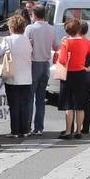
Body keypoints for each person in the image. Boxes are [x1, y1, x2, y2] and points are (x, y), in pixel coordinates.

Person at [56, 18, 90, 139]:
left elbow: (62, 60)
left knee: (69, 105)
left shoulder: (66, 43)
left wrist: (60, 53)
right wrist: (89, 68)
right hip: (81, 74)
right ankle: (79, 131)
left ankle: (68, 131)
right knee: (80, 105)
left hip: (68, 75)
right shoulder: (86, 42)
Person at [0, 15, 34, 138]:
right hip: (27, 77)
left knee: (14, 105)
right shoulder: (27, 40)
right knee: (25, 105)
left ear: (11, 27)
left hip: (12, 77)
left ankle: (15, 130)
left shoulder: (7, 40)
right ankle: (25, 129)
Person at [26, 7, 58, 136]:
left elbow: (26, 46)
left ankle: (27, 126)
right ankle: (39, 127)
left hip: (34, 63)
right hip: (45, 63)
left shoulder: (30, 28)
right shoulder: (51, 28)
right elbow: (55, 47)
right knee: (41, 98)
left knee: (29, 97)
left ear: (34, 15)